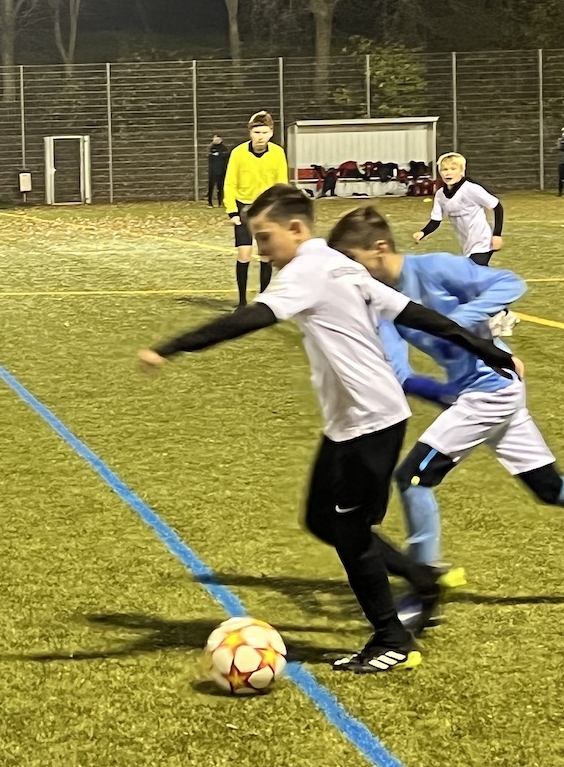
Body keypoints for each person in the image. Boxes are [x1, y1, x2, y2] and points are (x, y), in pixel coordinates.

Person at [138, 184, 516, 674]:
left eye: (265, 237)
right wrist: (485, 347)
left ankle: (392, 639)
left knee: (351, 532)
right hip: (351, 422)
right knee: (322, 519)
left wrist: (170, 347)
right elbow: (414, 313)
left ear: (296, 229)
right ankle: (423, 579)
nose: (261, 249)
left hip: (371, 422)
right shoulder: (339, 264)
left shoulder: (307, 270)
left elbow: (251, 319)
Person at [328, 206, 560, 628]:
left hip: (491, 390)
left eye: (353, 261)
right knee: (549, 489)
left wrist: (455, 322)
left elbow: (510, 282)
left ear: (379, 248)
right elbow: (399, 373)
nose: (350, 273)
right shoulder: (383, 303)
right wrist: (443, 393)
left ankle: (425, 590)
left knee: (413, 478)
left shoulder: (433, 268)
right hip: (481, 394)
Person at [413, 152, 515, 336]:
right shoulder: (440, 195)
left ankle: (498, 315)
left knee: (472, 280)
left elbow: (496, 206)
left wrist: (497, 235)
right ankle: (505, 314)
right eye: (444, 169)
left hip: (482, 241)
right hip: (467, 244)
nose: (448, 172)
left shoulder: (471, 189)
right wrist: (423, 232)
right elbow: (436, 220)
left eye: (453, 168)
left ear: (462, 171)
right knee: (477, 281)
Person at [223, 111, 289, 307]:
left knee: (266, 255)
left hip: (267, 209)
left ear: (271, 133)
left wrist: (279, 209)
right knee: (244, 254)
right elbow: (230, 183)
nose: (260, 136)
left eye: (265, 132)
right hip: (244, 208)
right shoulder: (238, 153)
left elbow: (281, 183)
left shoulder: (277, 153)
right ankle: (242, 302)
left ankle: (263, 300)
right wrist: (232, 211)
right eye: (257, 132)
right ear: (250, 132)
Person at [206, 134, 228, 208]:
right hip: (212, 171)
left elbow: (226, 155)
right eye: (215, 139)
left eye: (218, 139)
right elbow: (208, 154)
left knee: (220, 187)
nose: (216, 141)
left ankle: (220, 202)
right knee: (210, 187)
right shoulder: (211, 147)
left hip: (221, 170)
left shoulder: (224, 148)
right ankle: (209, 202)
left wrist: (219, 154)